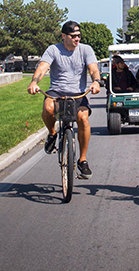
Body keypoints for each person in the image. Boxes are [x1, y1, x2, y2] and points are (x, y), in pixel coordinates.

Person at [28, 20, 101, 177]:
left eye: (79, 36)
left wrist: (96, 81)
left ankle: (82, 160)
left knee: (83, 118)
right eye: (73, 36)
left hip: (78, 93)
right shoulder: (53, 50)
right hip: (57, 90)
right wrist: (34, 82)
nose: (77, 39)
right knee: (48, 108)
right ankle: (52, 133)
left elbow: (93, 68)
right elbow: (42, 68)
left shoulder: (86, 50)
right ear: (64, 36)